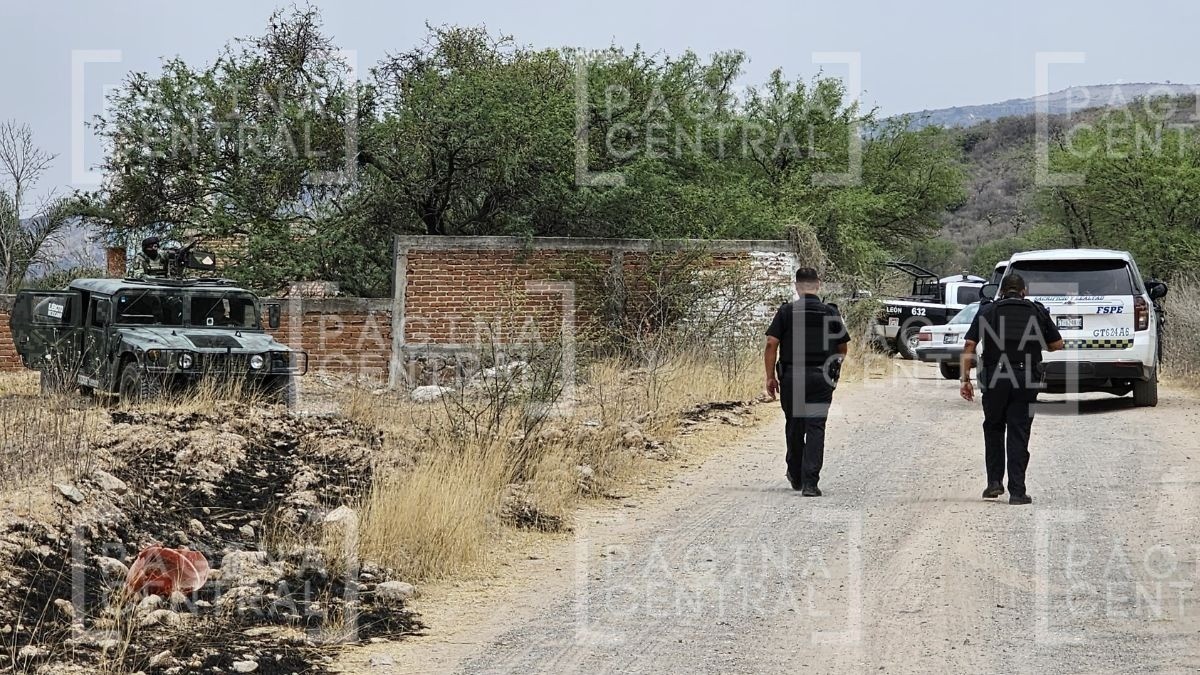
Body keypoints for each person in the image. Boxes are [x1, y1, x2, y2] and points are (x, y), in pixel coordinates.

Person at [959, 273, 1064, 505]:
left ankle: (994, 483)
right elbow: (1057, 344)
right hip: (1025, 379)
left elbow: (969, 345)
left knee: (994, 428)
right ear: (1024, 291)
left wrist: (964, 379)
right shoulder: (1036, 311)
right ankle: (1017, 492)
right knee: (1018, 432)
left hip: (996, 377)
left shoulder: (987, 310)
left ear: (1002, 291)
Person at [764, 268, 850, 496]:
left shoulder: (786, 312)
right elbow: (843, 347)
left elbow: (772, 343)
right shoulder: (830, 312)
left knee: (794, 424)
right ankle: (810, 483)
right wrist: (833, 368)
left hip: (792, 377)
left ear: (797, 287)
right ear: (818, 285)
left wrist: (770, 376)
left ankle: (795, 473)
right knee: (816, 427)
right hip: (821, 378)